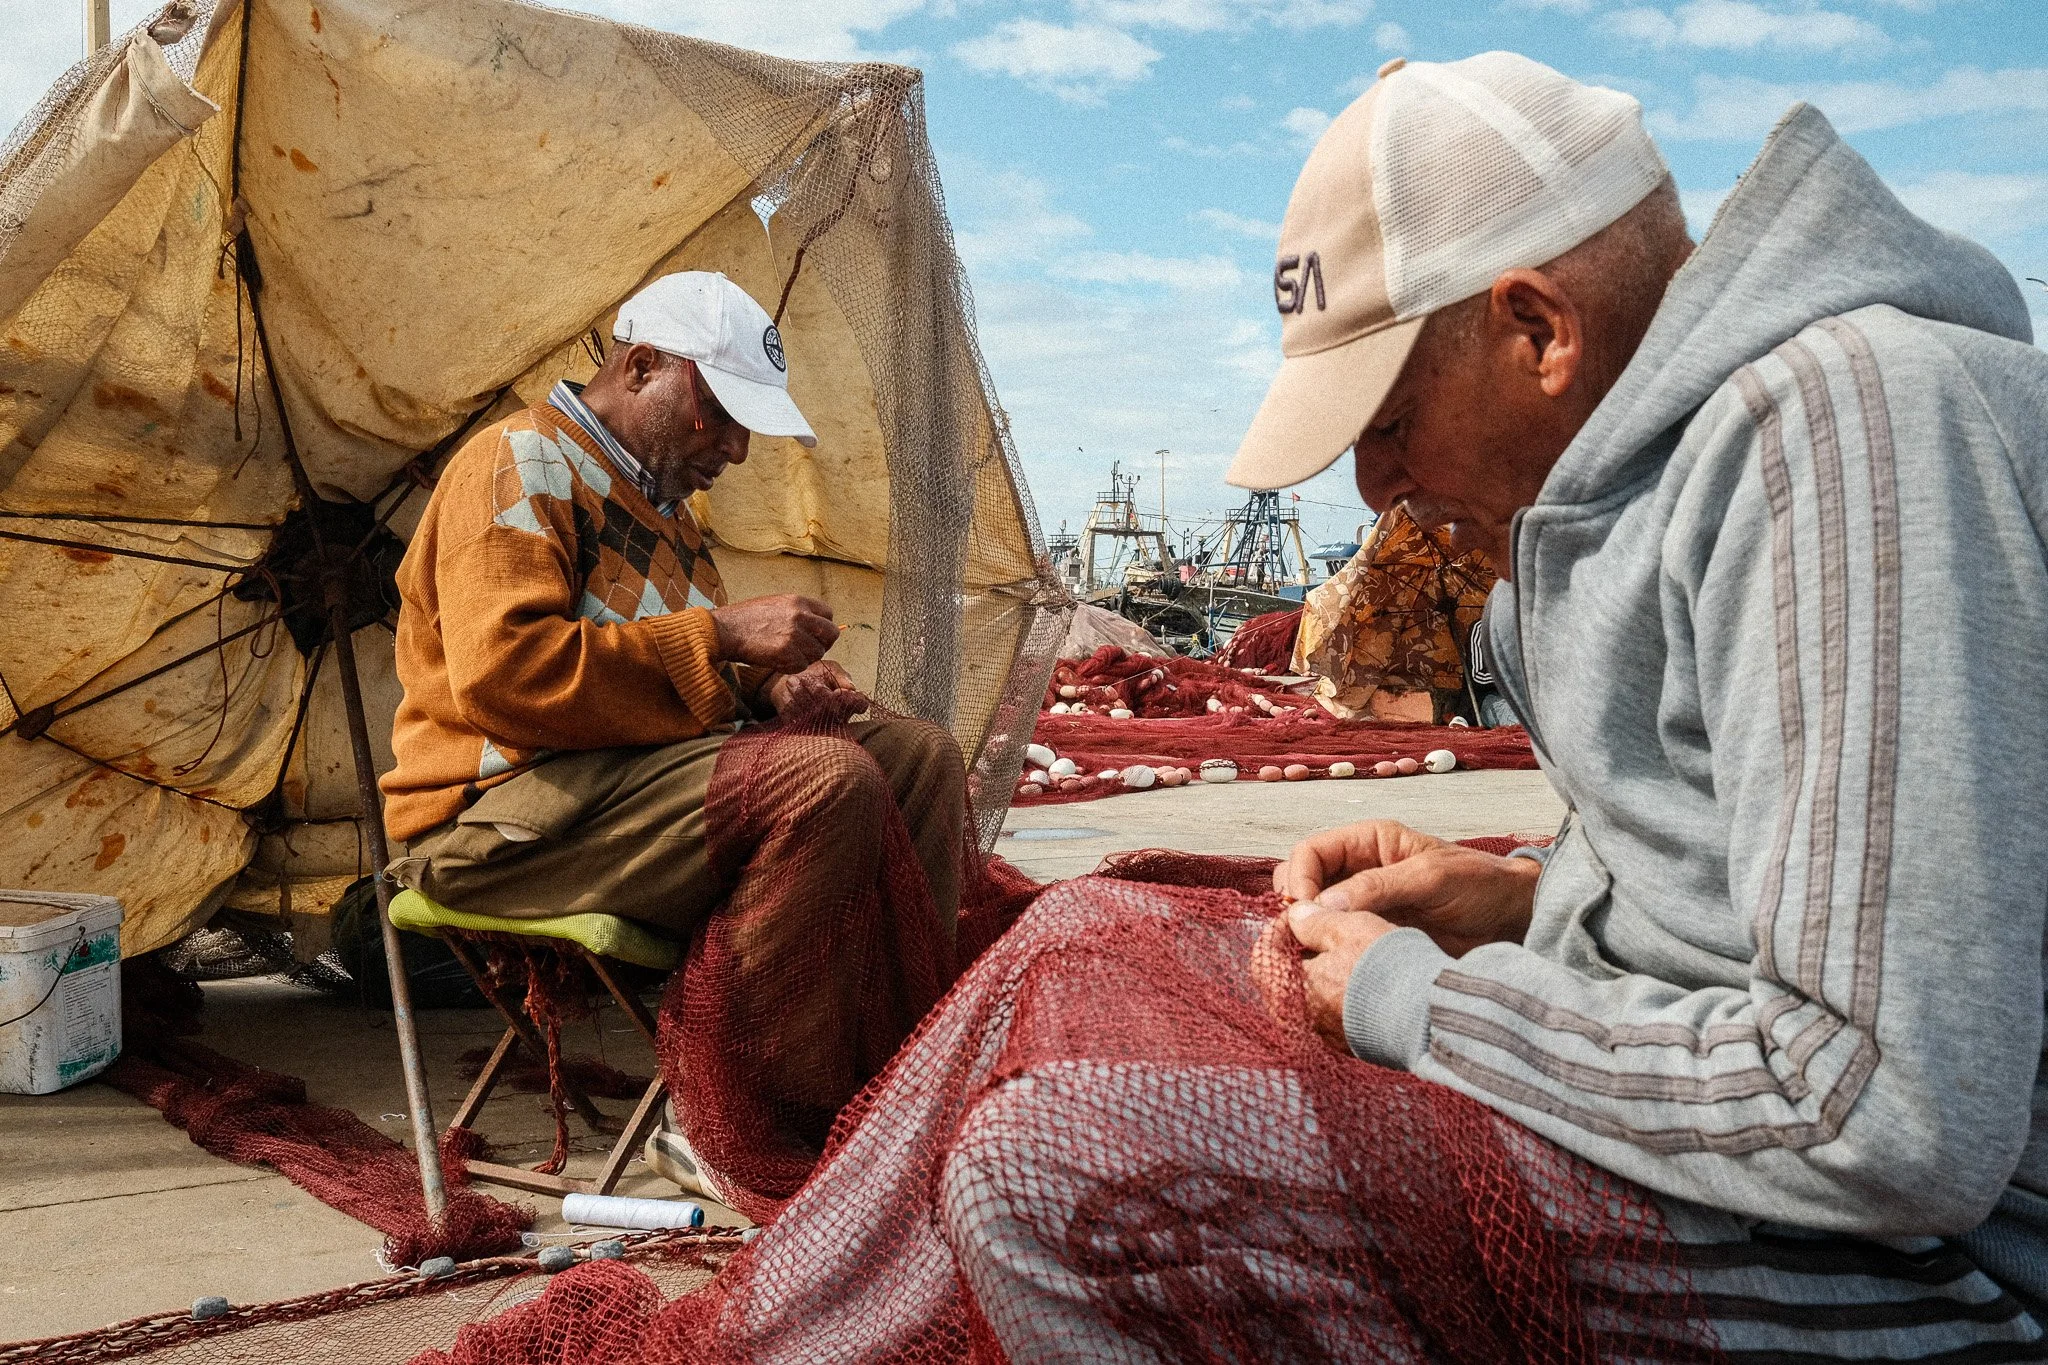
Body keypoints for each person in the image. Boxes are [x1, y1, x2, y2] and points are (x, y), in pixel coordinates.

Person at [935, 53, 2048, 1358]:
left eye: (1390, 419)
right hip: (1808, 1191)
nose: (1369, 486)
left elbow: (1884, 1112)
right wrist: (1526, 894)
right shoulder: (1614, 504)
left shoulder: (1842, 438)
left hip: (1947, 1263)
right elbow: (1776, 881)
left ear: (1539, 331)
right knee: (1088, 936)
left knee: (1057, 1178)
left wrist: (1429, 1001)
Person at [379, 271, 964, 1208]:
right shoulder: (518, 460)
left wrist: (771, 684)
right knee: (825, 783)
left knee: (919, 759)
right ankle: (731, 1122)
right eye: (720, 412)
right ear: (641, 365)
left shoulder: (667, 513)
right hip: (500, 821)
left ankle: (884, 1086)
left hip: (618, 792)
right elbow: (509, 676)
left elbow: (674, 680)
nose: (735, 446)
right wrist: (727, 637)